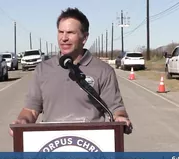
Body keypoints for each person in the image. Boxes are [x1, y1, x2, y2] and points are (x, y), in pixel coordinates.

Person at [10, 7, 131, 136]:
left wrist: (121, 118)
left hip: (92, 146)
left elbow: (116, 109)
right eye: (60, 32)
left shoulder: (104, 71)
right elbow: (31, 110)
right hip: (52, 146)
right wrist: (22, 121)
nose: (64, 38)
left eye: (70, 32)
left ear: (84, 37)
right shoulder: (43, 70)